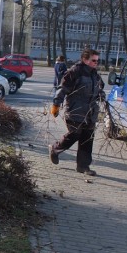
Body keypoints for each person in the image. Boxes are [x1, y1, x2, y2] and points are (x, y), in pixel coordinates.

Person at [49, 48, 104, 176]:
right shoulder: (75, 72)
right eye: (93, 60)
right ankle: (55, 149)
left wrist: (102, 96)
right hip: (75, 110)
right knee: (75, 134)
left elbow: (99, 88)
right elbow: (62, 89)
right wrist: (56, 104)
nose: (96, 62)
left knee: (87, 138)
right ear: (85, 59)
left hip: (90, 112)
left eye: (97, 60)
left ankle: (83, 166)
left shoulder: (95, 74)